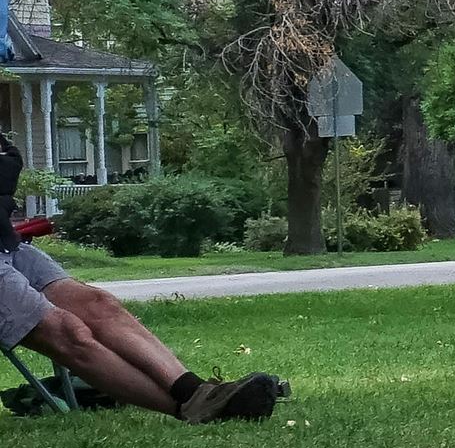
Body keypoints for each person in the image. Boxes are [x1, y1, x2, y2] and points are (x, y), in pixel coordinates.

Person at [0, 127, 285, 420]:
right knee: (67, 332)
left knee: (100, 305)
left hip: (7, 244)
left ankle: (199, 393)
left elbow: (9, 162)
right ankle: (198, 408)